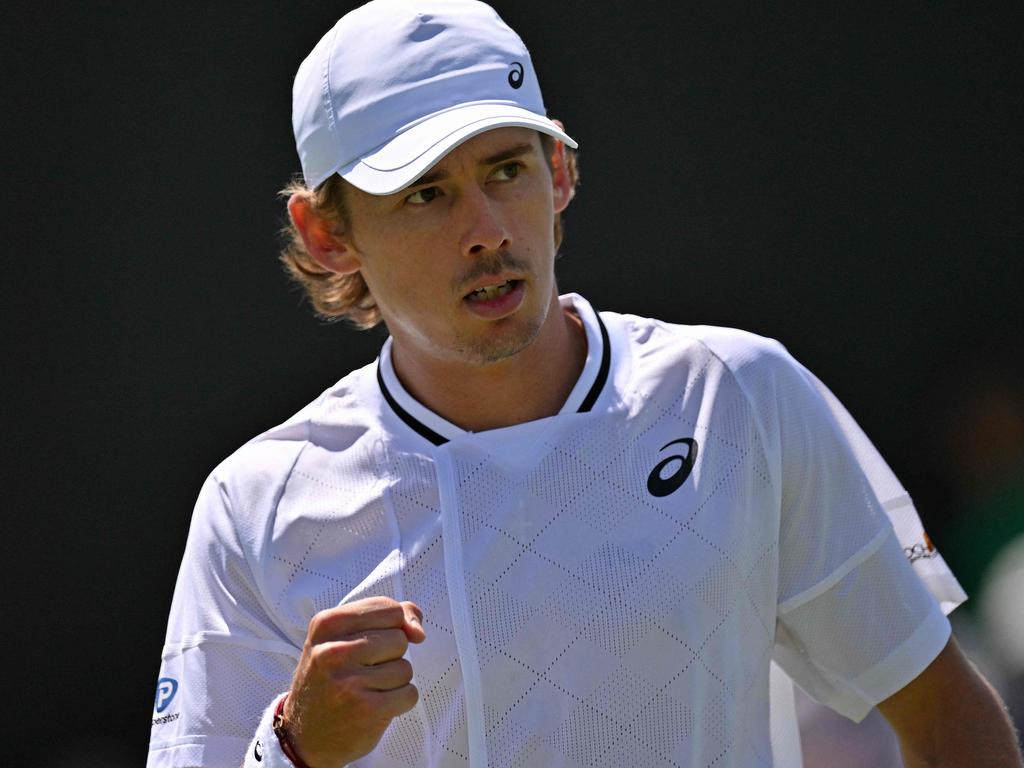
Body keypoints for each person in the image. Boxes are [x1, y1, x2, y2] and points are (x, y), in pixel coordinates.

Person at [147, 1, 1023, 766]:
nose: (487, 231)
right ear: (328, 232)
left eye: (506, 170)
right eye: (425, 195)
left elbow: (949, 724)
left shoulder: (739, 396)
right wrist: (297, 748)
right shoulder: (254, 506)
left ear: (558, 172)